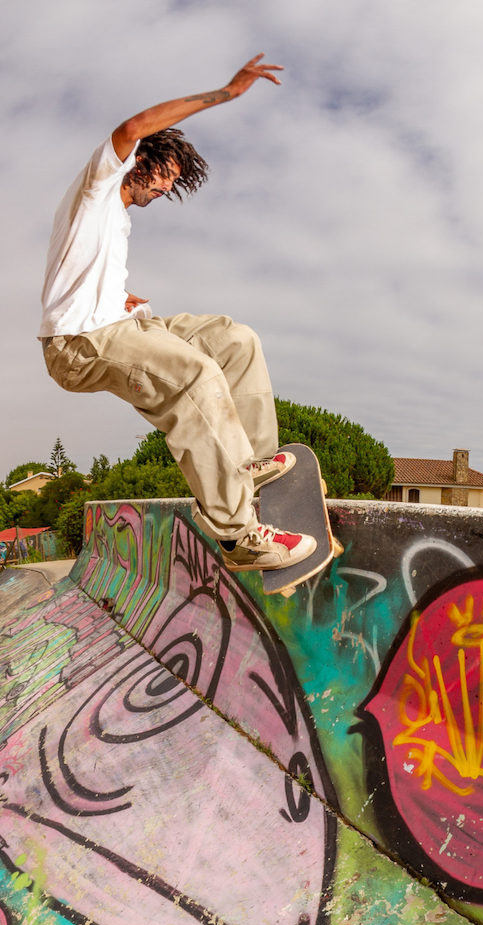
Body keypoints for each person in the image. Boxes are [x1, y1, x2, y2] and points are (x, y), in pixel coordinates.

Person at [39, 55, 316, 573]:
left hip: (115, 324)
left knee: (234, 340)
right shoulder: (102, 180)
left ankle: (250, 467)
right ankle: (239, 536)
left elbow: (80, 276)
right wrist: (228, 93)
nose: (165, 189)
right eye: (164, 175)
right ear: (141, 159)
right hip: (79, 343)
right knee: (195, 377)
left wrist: (121, 297)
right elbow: (132, 126)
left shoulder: (110, 221)